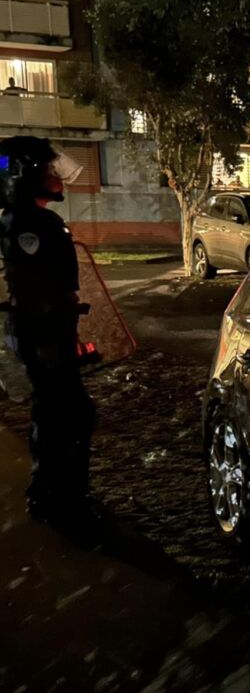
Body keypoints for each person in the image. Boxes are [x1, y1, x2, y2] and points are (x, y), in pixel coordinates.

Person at [0, 136, 96, 527]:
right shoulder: (30, 225)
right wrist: (53, 332)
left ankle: (56, 495)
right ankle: (57, 499)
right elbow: (38, 290)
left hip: (46, 333)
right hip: (44, 336)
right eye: (47, 168)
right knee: (64, 415)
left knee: (61, 412)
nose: (57, 174)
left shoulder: (25, 220)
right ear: (25, 175)